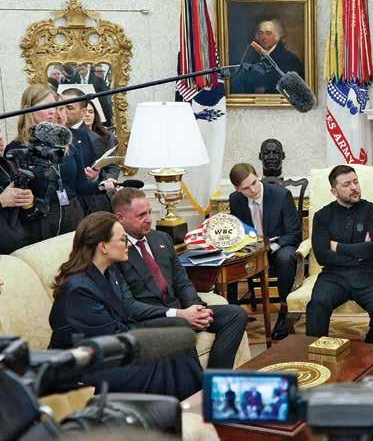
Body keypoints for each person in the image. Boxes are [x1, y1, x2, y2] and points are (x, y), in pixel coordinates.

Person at [48, 212, 202, 401]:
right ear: (103, 246)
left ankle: (193, 405)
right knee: (162, 355)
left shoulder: (109, 271)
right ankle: (187, 408)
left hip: (112, 346)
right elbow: (111, 339)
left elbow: (124, 320)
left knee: (179, 332)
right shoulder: (79, 290)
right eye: (122, 240)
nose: (128, 244)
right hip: (85, 364)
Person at [111, 188, 248, 369]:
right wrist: (180, 314)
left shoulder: (161, 238)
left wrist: (196, 308)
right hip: (152, 320)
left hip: (181, 310)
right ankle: (195, 383)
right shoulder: (115, 250)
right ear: (120, 218)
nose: (149, 219)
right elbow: (130, 306)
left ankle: (215, 376)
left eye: (150, 212)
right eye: (141, 215)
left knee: (236, 314)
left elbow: (182, 281)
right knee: (180, 327)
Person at [4, 84, 116, 243]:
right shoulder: (16, 148)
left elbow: (80, 185)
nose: (52, 111)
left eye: (54, 106)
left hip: (73, 215)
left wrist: (102, 185)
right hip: (38, 223)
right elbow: (14, 197)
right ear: (28, 109)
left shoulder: (67, 144)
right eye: (46, 106)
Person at [305, 165, 373, 344]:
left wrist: (337, 246)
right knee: (317, 305)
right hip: (333, 276)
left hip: (366, 274)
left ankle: (371, 345)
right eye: (346, 185)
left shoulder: (372, 211)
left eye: (355, 182)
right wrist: (360, 253)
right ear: (334, 191)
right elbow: (322, 256)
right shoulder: (322, 216)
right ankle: (318, 351)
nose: (354, 187)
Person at [229, 163, 301, 340]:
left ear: (258, 176)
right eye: (246, 188)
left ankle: (284, 313)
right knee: (228, 260)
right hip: (252, 248)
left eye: (254, 183)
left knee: (286, 258)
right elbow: (237, 231)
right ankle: (232, 313)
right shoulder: (235, 199)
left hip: (279, 245)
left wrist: (271, 248)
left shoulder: (281, 195)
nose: (253, 190)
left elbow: (294, 233)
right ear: (237, 189)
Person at [232, 19, 304, 94]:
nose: (263, 37)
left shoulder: (290, 59)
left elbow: (291, 89)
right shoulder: (251, 57)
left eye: (268, 33)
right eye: (261, 33)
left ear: (277, 36)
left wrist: (263, 89)